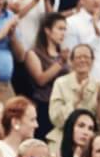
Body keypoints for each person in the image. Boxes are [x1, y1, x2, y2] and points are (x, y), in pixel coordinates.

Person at [47, 45, 100, 153]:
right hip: (61, 139)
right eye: (78, 57)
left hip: (88, 143)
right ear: (71, 61)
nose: (82, 60)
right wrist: (76, 100)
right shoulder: (60, 83)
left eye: (86, 57)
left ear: (93, 61)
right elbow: (55, 118)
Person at [25, 12, 70, 141]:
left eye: (65, 29)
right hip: (44, 106)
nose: (63, 33)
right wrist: (60, 62)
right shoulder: (34, 53)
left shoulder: (63, 54)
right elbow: (40, 79)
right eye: (60, 29)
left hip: (62, 107)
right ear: (47, 30)